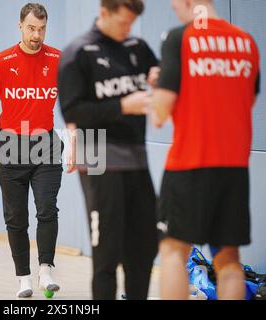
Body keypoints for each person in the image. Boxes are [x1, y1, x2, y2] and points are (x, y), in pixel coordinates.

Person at [153, 0, 260, 300]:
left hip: (190, 164)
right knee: (228, 261)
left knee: (174, 251)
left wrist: (161, 84)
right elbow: (245, 100)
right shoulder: (245, 41)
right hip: (234, 169)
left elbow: (161, 112)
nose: (175, 9)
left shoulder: (179, 38)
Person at [58, 0, 159, 300]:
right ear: (104, 13)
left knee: (142, 251)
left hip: (136, 159)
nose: (127, 29)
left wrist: (160, 77)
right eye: (123, 22)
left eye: (131, 23)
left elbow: (160, 73)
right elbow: (73, 111)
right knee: (106, 255)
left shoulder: (137, 48)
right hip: (98, 159)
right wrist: (122, 106)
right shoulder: (78, 53)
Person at [0, 3, 63, 298]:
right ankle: (24, 278)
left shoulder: (58, 60)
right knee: (16, 218)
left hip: (46, 144)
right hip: (10, 146)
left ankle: (46, 268)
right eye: (31, 28)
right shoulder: (1, 62)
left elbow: (76, 100)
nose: (36, 35)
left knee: (47, 208)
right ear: (20, 26)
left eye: (41, 29)